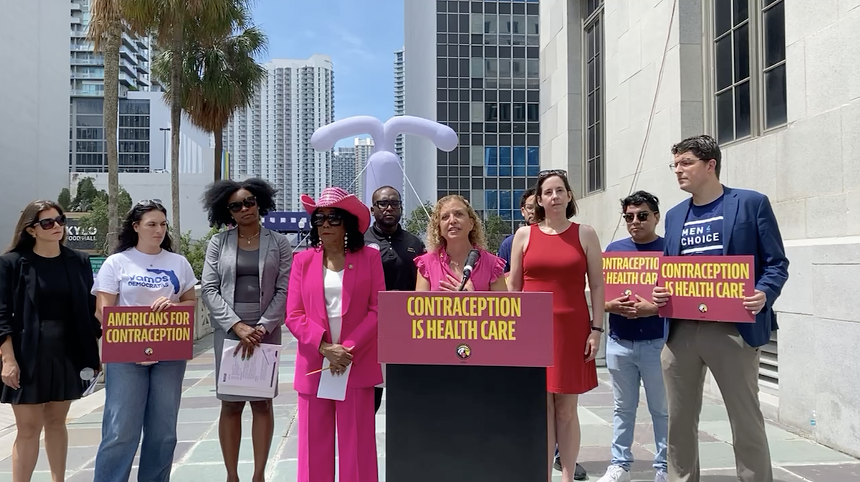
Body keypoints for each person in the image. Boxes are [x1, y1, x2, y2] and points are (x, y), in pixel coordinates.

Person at [652, 135, 789, 482]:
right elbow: (669, 269)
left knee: (745, 419)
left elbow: (777, 263)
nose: (678, 171)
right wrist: (659, 292)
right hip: (680, 331)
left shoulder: (751, 204)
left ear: (710, 165)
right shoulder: (674, 215)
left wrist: (764, 293)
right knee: (679, 422)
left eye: (685, 163)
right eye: (675, 164)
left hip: (732, 330)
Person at [507, 170, 604, 482]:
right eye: (548, 192)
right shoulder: (524, 236)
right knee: (543, 409)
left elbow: (598, 287)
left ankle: (566, 476)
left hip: (572, 328)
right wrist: (512, 330)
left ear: (569, 195)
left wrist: (596, 329)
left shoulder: (585, 234)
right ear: (539, 200)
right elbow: (514, 286)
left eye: (560, 190)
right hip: (533, 329)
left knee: (566, 408)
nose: (554, 196)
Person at [92, 200, 199, 482]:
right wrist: (135, 344)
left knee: (164, 432)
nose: (158, 230)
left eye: (163, 224)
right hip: (126, 357)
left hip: (169, 356)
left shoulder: (179, 263)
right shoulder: (117, 263)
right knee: (120, 431)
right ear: (136, 227)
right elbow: (103, 310)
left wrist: (174, 308)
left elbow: (190, 302)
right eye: (151, 224)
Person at [285, 186, 385, 482]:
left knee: (358, 447)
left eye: (333, 218)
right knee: (313, 448)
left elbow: (378, 309)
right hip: (316, 364)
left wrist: (347, 349)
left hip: (356, 363)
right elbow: (294, 314)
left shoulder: (369, 257)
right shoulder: (302, 260)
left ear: (347, 223)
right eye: (319, 218)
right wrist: (325, 346)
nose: (325, 224)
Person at [0, 200, 101, 482]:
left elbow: (89, 306)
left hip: (67, 350)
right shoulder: (11, 263)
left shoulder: (78, 261)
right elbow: (1, 314)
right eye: (48, 222)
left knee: (57, 422)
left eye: (60, 220)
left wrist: (94, 346)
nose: (57, 226)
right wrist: (8, 359)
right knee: (28, 427)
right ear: (31, 229)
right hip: (26, 350)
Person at [200, 178, 292, 482]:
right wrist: (237, 325)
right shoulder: (218, 242)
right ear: (227, 212)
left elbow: (285, 288)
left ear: (260, 203)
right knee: (230, 403)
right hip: (229, 331)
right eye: (236, 206)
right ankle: (231, 475)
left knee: (262, 403)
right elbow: (210, 289)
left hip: (266, 331)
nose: (244, 209)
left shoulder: (279, 242)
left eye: (249, 202)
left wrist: (263, 327)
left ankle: (258, 475)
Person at [596, 191, 668, 482]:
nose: (635, 222)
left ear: (656, 217)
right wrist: (610, 306)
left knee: (661, 409)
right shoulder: (614, 250)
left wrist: (653, 308)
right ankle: (620, 464)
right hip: (619, 342)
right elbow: (599, 294)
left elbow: (683, 295)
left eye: (642, 216)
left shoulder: (669, 250)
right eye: (628, 217)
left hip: (656, 343)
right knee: (622, 408)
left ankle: (664, 468)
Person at [363, 185, 425, 413]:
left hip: (406, 329)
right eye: (383, 203)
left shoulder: (414, 243)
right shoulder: (360, 242)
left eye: (394, 204)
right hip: (371, 330)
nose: (389, 208)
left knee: (406, 397)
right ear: (373, 209)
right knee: (371, 398)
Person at [414, 194, 507, 292]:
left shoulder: (493, 265)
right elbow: (419, 307)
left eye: (458, 214)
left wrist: (473, 299)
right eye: (445, 217)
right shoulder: (426, 265)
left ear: (471, 224)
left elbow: (504, 307)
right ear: (439, 228)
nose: (452, 220)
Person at [497, 187, 536, 273]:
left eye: (539, 208)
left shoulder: (553, 240)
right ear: (523, 211)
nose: (534, 211)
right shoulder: (509, 243)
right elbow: (501, 278)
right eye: (530, 207)